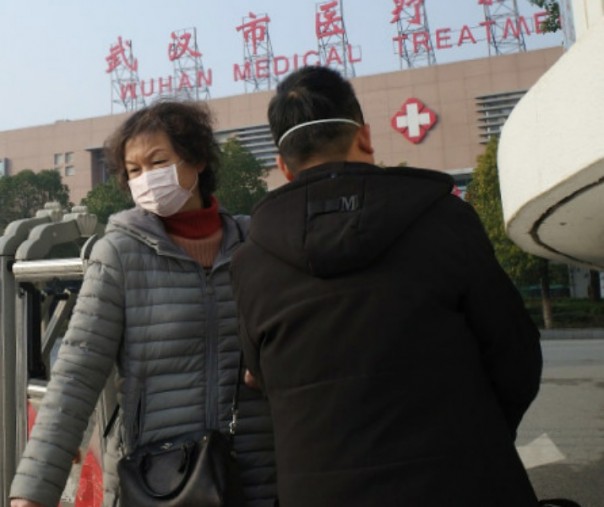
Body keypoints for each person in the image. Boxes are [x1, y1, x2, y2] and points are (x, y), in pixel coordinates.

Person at [230, 66, 543, 507]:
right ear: (365, 138)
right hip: (465, 484)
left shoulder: (250, 262)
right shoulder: (445, 220)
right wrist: (482, 439)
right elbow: (516, 355)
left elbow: (262, 377)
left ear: (283, 166)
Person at [10, 100, 277, 507]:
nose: (147, 180)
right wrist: (32, 492)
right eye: (134, 171)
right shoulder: (118, 253)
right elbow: (76, 376)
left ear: (198, 160)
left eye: (158, 162)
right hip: (159, 483)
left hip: (256, 481)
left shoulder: (255, 245)